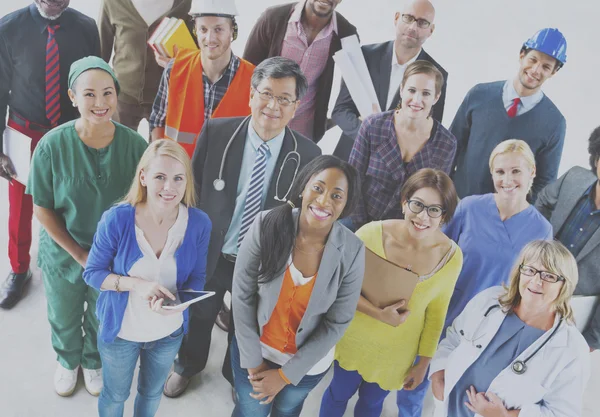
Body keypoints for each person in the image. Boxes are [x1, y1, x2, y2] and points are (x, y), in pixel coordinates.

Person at [162, 56, 321, 398]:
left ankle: (236, 376)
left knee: (245, 327)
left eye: (284, 99)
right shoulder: (217, 132)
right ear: (251, 95)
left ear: (296, 107)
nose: (272, 106)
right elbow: (192, 193)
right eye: (266, 94)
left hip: (263, 261)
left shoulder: (308, 155)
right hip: (213, 253)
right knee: (200, 314)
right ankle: (187, 365)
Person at [397, 139, 553, 416]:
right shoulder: (469, 207)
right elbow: (435, 253)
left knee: (461, 397)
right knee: (414, 383)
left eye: (516, 171)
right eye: (500, 171)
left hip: (489, 328)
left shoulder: (541, 229)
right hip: (443, 311)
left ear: (532, 172)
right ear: (492, 174)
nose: (507, 180)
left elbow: (533, 289)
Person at [25, 57, 148, 396]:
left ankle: (93, 361)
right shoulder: (51, 145)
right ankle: (68, 361)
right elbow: (43, 208)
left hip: (112, 254)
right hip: (65, 250)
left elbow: (142, 202)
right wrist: (80, 254)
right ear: (73, 97)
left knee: (102, 310)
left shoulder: (135, 146)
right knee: (63, 311)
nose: (100, 103)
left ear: (116, 95)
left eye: (107, 93)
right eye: (89, 94)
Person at [83, 139, 211, 417]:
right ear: (143, 177)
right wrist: (136, 285)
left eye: (178, 178)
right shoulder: (117, 219)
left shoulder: (199, 223)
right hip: (121, 333)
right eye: (160, 177)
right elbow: (92, 273)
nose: (170, 187)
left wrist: (179, 302)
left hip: (168, 333)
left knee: (151, 394)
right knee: (115, 395)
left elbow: (197, 277)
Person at [319, 168, 462, 417]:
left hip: (396, 356)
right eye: (417, 204)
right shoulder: (370, 234)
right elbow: (339, 288)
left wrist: (424, 363)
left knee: (372, 405)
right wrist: (378, 314)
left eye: (434, 210)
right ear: (404, 203)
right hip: (353, 339)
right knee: (337, 395)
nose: (423, 217)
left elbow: (436, 314)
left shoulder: (452, 257)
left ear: (444, 216)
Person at [231, 155, 364, 417]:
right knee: (249, 412)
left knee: (288, 410)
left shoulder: (353, 250)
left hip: (304, 367)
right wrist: (254, 363)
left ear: (346, 204)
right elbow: (242, 294)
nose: (324, 201)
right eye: (318, 188)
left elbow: (337, 323)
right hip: (254, 351)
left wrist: (285, 375)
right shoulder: (266, 224)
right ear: (303, 188)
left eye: (337, 196)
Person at [0, 0, 100, 309]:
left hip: (71, 133)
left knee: (72, 202)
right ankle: (18, 269)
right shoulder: (8, 27)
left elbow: (95, 83)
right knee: (21, 207)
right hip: (24, 131)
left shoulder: (86, 28)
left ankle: (73, 261)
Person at [430, 240, 590, 417]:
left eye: (549, 276)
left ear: (564, 285)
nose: (536, 281)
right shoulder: (489, 300)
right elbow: (454, 336)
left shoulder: (572, 349)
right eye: (530, 270)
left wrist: (505, 416)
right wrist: (437, 372)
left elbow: (562, 413)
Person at [450, 28, 567, 201]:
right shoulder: (479, 95)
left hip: (501, 218)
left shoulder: (555, 123)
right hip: (457, 201)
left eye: (546, 67)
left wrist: (517, 218)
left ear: (554, 72)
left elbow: (545, 183)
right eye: (533, 59)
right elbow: (451, 146)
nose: (535, 70)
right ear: (521, 54)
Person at [345, 60, 456, 232]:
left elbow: (433, 198)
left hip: (406, 231)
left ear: (436, 97)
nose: (417, 100)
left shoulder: (446, 144)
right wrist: (363, 228)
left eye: (426, 93)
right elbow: (352, 179)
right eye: (412, 90)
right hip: (357, 222)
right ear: (402, 89)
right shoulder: (373, 126)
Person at [331, 0, 448, 161]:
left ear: (431, 30)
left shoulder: (437, 74)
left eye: (422, 22)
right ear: (396, 18)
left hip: (393, 168)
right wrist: (368, 134)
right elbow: (341, 111)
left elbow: (430, 129)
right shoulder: (365, 56)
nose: (413, 27)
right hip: (348, 157)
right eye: (408, 18)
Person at [149, 0, 255, 158]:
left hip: (225, 176)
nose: (210, 38)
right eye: (203, 29)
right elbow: (157, 122)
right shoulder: (174, 69)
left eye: (218, 29)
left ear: (232, 31)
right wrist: (160, 160)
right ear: (195, 31)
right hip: (179, 173)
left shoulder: (253, 79)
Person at [243, 0, 358, 142]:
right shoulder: (272, 18)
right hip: (261, 125)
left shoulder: (346, 34)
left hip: (303, 133)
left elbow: (354, 91)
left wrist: (331, 120)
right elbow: (245, 74)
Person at [536, 126, 600, 352]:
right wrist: (536, 250)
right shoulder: (574, 178)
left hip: (571, 312)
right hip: (531, 287)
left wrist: (591, 340)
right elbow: (543, 201)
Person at [98, 0, 193, 132]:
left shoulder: (185, 4)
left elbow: (197, 52)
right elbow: (100, 53)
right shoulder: (113, 3)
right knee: (121, 149)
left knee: (162, 150)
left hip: (167, 97)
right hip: (122, 95)